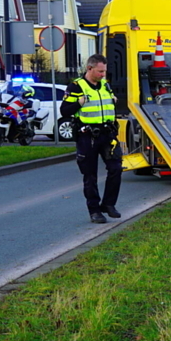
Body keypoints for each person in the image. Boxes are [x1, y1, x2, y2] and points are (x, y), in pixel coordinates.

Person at [60, 55, 122, 223]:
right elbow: (64, 111)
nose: (103, 74)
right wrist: (78, 103)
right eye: (100, 71)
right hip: (88, 136)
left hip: (108, 134)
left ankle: (108, 205)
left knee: (116, 168)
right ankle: (94, 211)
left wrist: (113, 100)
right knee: (90, 175)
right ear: (89, 69)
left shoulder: (105, 86)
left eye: (104, 71)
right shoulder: (76, 87)